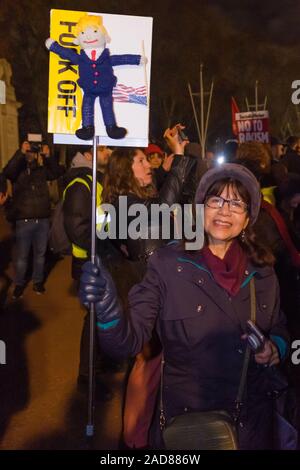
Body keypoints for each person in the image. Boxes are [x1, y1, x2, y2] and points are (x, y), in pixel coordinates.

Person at [79, 163, 289, 450]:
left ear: (248, 217)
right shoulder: (167, 265)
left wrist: (275, 346)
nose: (225, 210)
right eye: (216, 200)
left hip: (253, 424)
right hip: (192, 427)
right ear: (200, 208)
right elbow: (127, 343)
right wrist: (107, 311)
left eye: (237, 203)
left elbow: (278, 325)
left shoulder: (263, 271)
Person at [3, 140, 62, 298]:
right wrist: (20, 152)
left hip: (42, 220)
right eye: (28, 151)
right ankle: (19, 284)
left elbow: (56, 172)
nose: (30, 154)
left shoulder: (42, 171)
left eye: (32, 152)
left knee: (40, 255)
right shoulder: (18, 172)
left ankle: (37, 282)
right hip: (24, 220)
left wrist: (48, 156)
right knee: (22, 256)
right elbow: (7, 172)